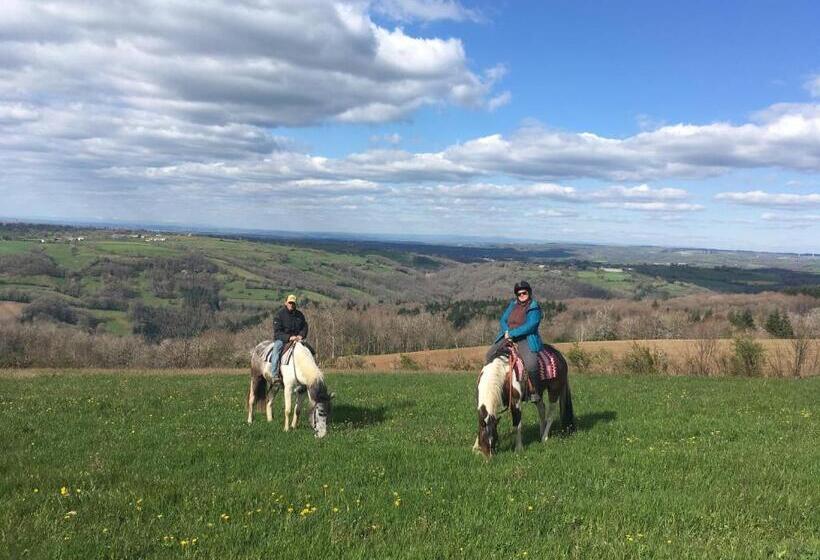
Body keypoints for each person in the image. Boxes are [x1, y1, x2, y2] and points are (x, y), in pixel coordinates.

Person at [485, 280, 544, 378]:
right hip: (508, 336)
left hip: (525, 338)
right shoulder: (513, 305)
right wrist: (506, 332)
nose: (521, 295)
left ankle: (535, 392)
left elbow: (531, 326)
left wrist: (512, 333)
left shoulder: (534, 307)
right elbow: (503, 320)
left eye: (524, 293)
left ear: (529, 292)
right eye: (519, 293)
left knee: (531, 364)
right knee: (489, 355)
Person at [269, 294, 308, 377]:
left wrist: (301, 335)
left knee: (309, 350)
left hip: (297, 339)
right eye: (290, 302)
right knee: (276, 349)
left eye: (293, 303)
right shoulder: (279, 315)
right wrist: (289, 337)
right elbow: (277, 332)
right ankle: (274, 374)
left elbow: (305, 326)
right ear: (285, 303)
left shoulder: (300, 315)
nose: (291, 304)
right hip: (282, 340)